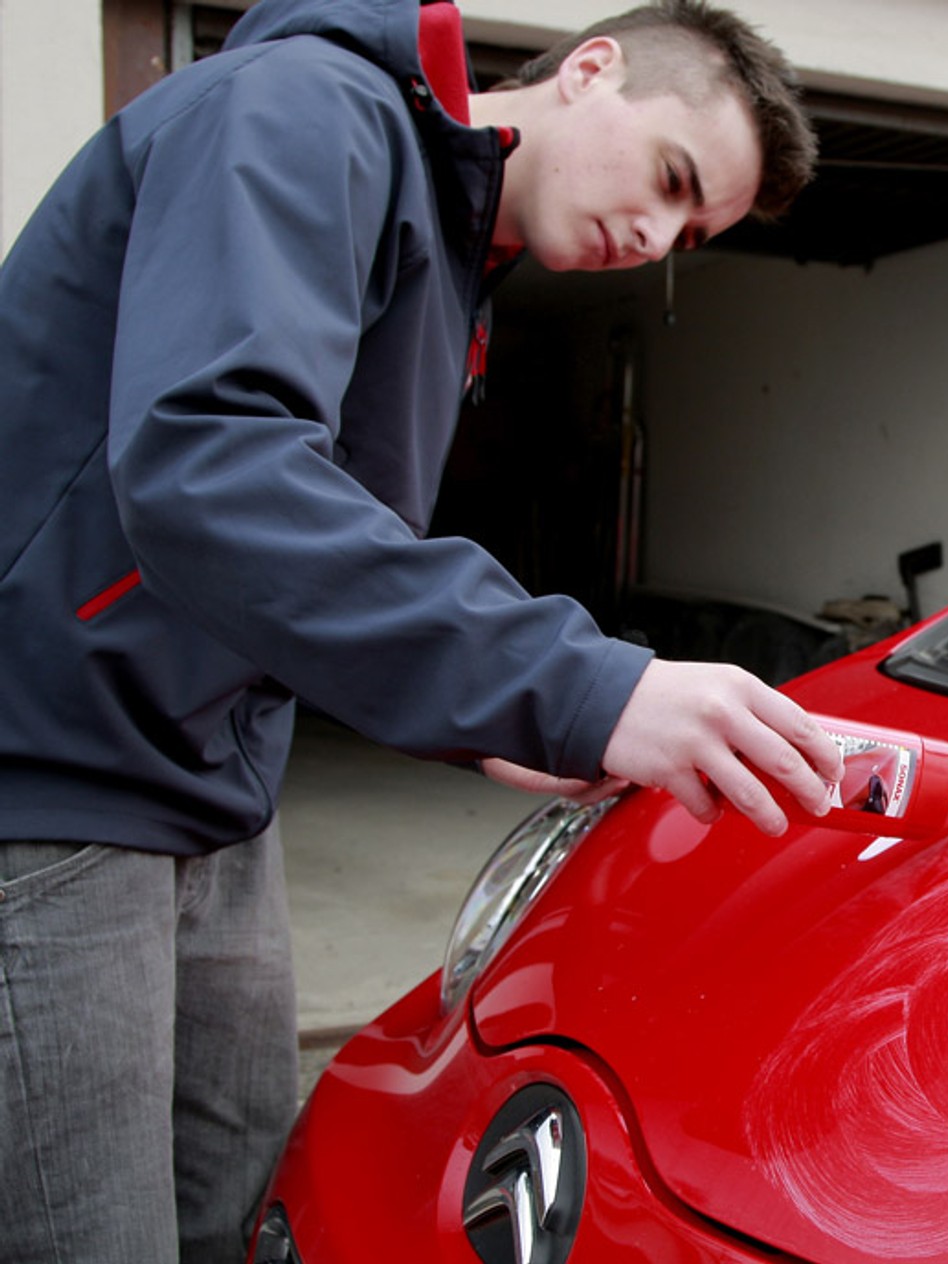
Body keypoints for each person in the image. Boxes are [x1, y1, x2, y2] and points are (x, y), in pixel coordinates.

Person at [0, 0, 840, 1259]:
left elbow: (313, 565)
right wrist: (576, 683)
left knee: (240, 1206)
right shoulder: (298, 114)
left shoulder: (454, 258)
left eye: (689, 230)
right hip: (56, 773)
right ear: (592, 70)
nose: (654, 236)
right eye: (670, 179)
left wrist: (489, 722)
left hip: (209, 791)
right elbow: (212, 475)